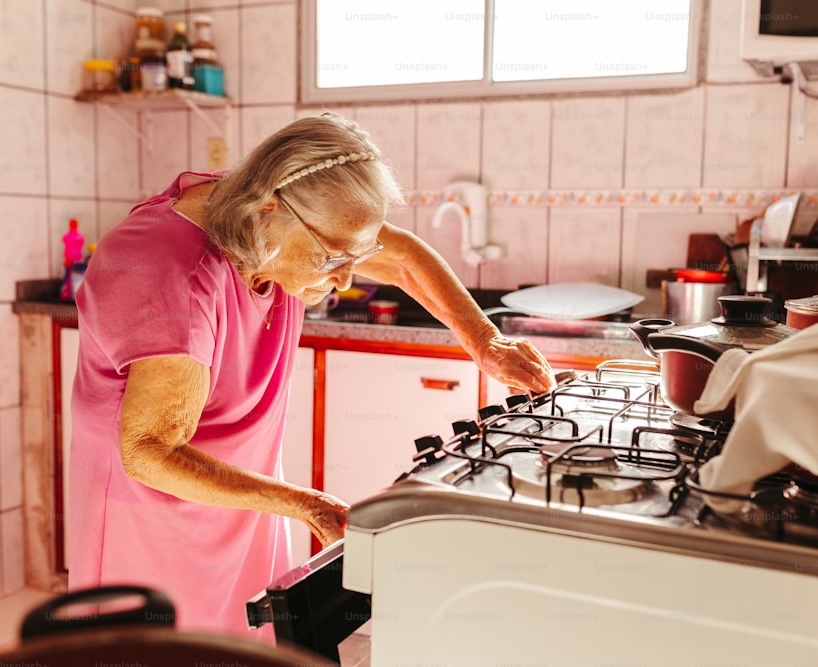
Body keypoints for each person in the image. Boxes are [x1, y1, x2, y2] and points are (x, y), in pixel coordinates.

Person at [67, 112, 554, 638]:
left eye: (354, 256)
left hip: (243, 491)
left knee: (251, 637)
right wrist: (306, 503)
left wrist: (486, 341)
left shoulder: (259, 213)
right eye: (331, 258)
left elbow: (403, 258)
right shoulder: (173, 274)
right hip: (152, 514)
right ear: (269, 210)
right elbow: (149, 450)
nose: (346, 279)